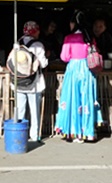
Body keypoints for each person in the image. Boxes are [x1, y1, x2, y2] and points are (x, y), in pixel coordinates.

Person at [54, 12, 102, 142]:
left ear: (73, 23)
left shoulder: (69, 38)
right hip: (87, 70)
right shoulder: (90, 38)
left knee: (73, 100)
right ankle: (88, 132)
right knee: (86, 100)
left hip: (74, 70)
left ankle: (75, 132)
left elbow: (64, 57)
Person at [13, 21, 48, 143]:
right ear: (35, 31)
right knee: (34, 111)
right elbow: (43, 64)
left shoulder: (17, 43)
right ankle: (34, 135)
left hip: (18, 82)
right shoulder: (38, 45)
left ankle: (20, 134)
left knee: (20, 110)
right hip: (34, 84)